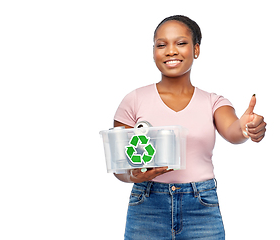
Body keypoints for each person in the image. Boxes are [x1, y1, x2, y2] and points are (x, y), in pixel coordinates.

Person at [113, 15, 266, 240]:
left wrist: (246, 128)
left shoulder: (213, 101)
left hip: (201, 206)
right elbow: (120, 167)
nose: (171, 50)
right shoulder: (133, 100)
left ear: (196, 49)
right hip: (147, 206)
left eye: (181, 43)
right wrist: (133, 176)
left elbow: (233, 130)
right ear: (153, 51)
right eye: (161, 44)